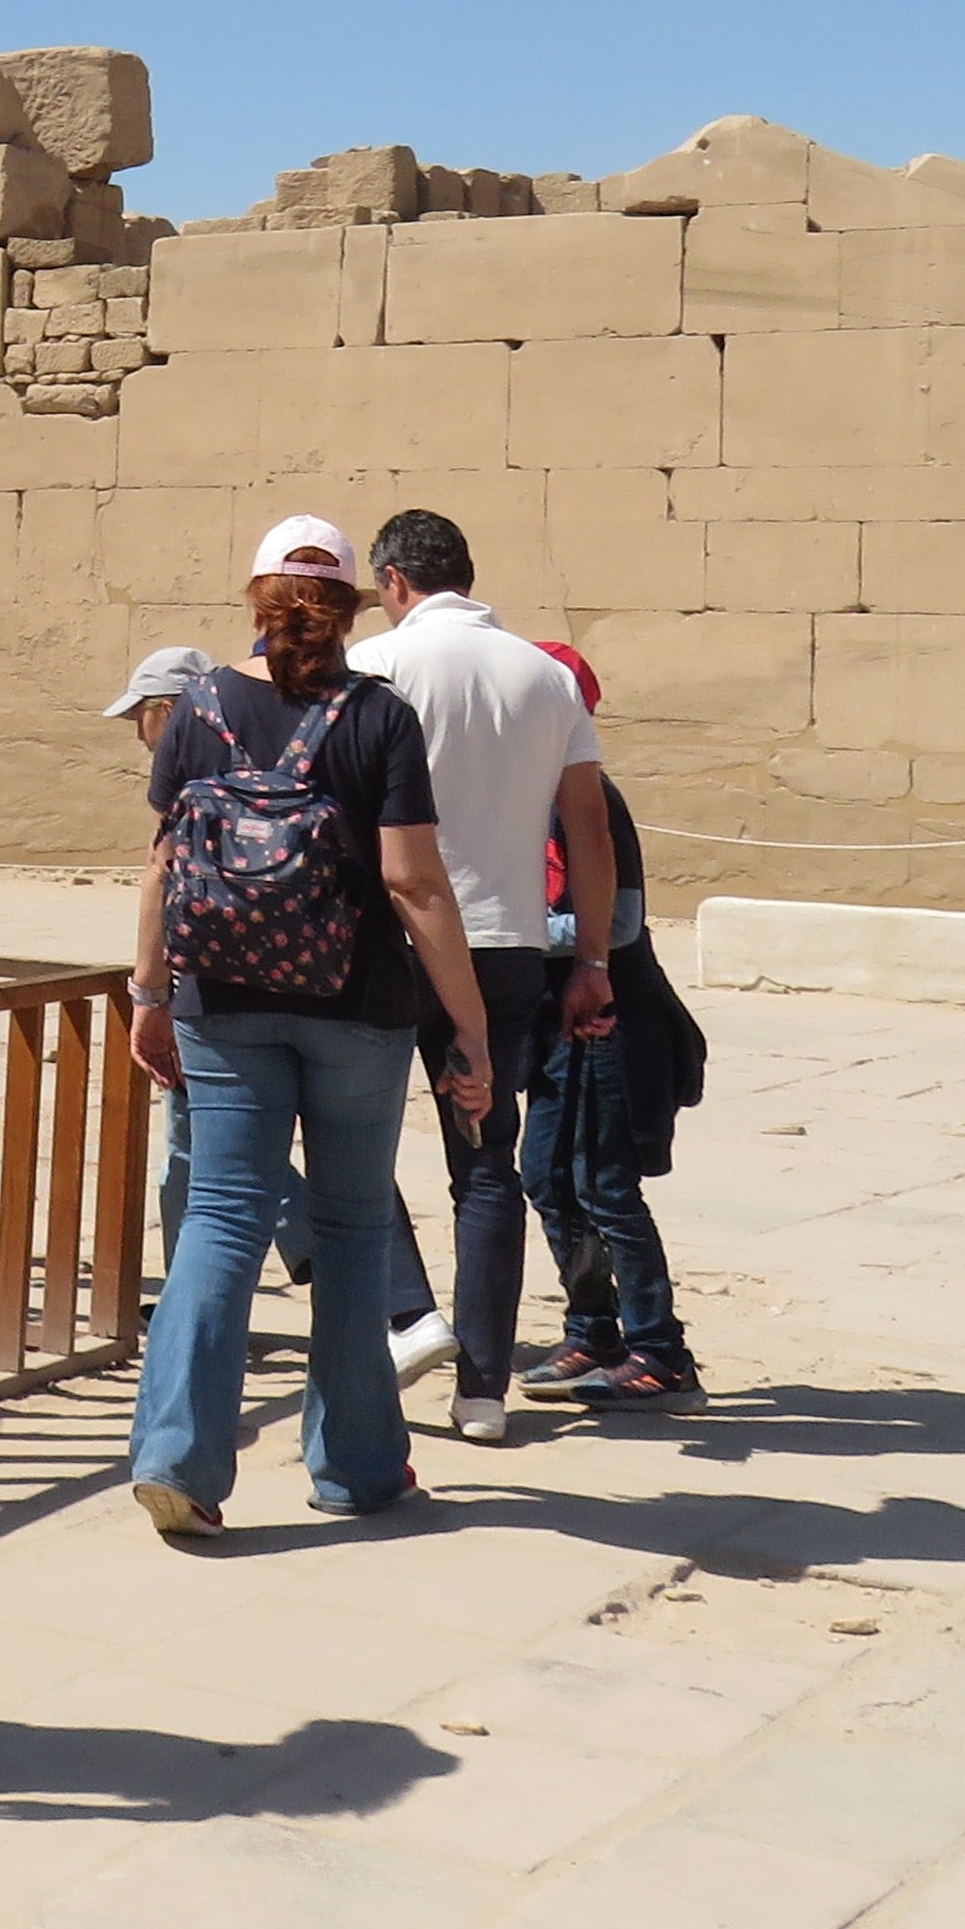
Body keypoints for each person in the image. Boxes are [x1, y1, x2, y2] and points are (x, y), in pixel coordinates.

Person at [127, 516, 495, 1542]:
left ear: (256, 594)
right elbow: (413, 880)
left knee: (220, 1220)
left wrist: (149, 992)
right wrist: (468, 1024)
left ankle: (175, 1458)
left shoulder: (196, 708)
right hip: (358, 1006)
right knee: (348, 1230)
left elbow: (163, 863)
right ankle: (358, 1465)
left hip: (223, 1002)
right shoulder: (378, 716)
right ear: (351, 607)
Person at [350, 509, 619, 1446]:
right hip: (507, 949)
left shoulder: (380, 667)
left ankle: (404, 1309)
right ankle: (482, 1390)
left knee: (344, 1139)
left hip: (392, 944)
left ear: (391, 582)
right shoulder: (546, 675)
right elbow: (586, 828)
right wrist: (590, 958)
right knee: (485, 1163)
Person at [518, 643, 707, 1410]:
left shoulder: (592, 800)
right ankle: (591, 1328)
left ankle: (659, 1351)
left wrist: (510, 932)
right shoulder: (525, 798)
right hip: (555, 1027)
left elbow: (618, 920)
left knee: (604, 1185)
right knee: (544, 1176)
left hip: (610, 1022)